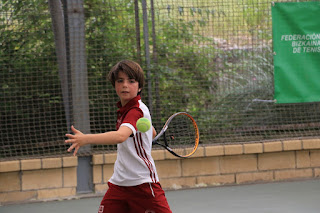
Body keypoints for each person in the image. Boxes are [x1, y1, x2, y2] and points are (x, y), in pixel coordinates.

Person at [65, 60, 172, 213]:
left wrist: (86, 139)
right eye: (120, 81)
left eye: (131, 81)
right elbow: (152, 132)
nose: (125, 85)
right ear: (115, 85)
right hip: (120, 184)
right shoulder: (127, 109)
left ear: (140, 86)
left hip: (143, 184)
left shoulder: (136, 110)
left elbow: (120, 136)